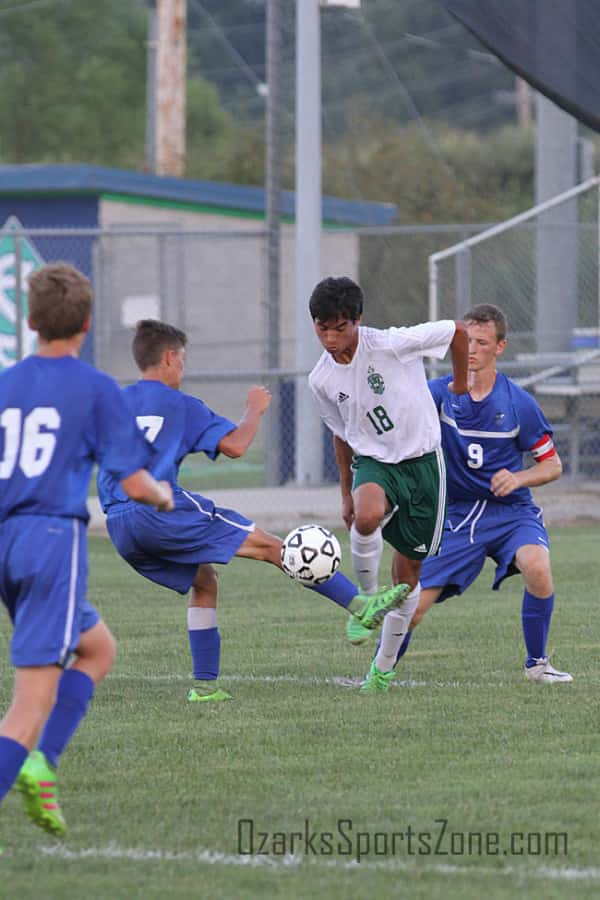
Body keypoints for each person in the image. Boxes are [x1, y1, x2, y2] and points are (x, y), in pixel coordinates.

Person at [96, 319, 410, 704]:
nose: (183, 367)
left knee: (204, 580)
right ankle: (360, 605)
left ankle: (205, 688)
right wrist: (254, 410)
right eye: (182, 359)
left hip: (118, 523)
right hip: (159, 509)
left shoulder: (115, 404)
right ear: (168, 358)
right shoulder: (180, 404)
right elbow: (236, 446)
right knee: (272, 547)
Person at [0, 263, 174, 838]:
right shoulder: (96, 387)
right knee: (29, 704)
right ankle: (28, 756)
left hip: (5, 540)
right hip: (50, 542)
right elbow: (131, 480)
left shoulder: (5, 383)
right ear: (88, 322)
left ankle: (42, 764)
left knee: (97, 649)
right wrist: (163, 496)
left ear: (29, 320)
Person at [364, 303, 573, 691]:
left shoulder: (518, 404)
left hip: (510, 511)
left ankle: (538, 664)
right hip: (455, 515)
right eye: (465, 341)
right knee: (415, 607)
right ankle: (379, 672)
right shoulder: (437, 395)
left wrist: (520, 476)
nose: (471, 349)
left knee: (538, 569)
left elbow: (553, 466)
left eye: (481, 342)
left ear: (500, 347)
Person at [307, 276, 469, 692]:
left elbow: (457, 331)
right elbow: (341, 434)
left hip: (423, 465)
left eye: (338, 328)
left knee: (407, 578)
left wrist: (461, 383)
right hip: (375, 462)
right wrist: (345, 489)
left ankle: (382, 668)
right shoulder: (321, 380)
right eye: (322, 328)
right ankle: (364, 603)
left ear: (357, 321)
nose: (330, 337)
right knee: (366, 515)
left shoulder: (393, 344)